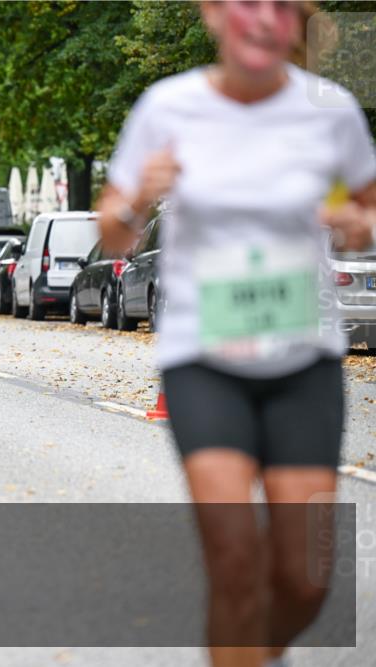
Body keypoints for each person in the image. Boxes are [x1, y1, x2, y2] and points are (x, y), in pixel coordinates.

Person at [97, 3, 376, 666]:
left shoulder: (330, 110)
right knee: (233, 555)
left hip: (303, 357)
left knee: (306, 579)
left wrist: (352, 221)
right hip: (204, 357)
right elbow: (112, 226)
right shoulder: (168, 107)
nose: (263, 19)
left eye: (281, 7)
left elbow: (365, 206)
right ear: (214, 14)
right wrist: (139, 199)